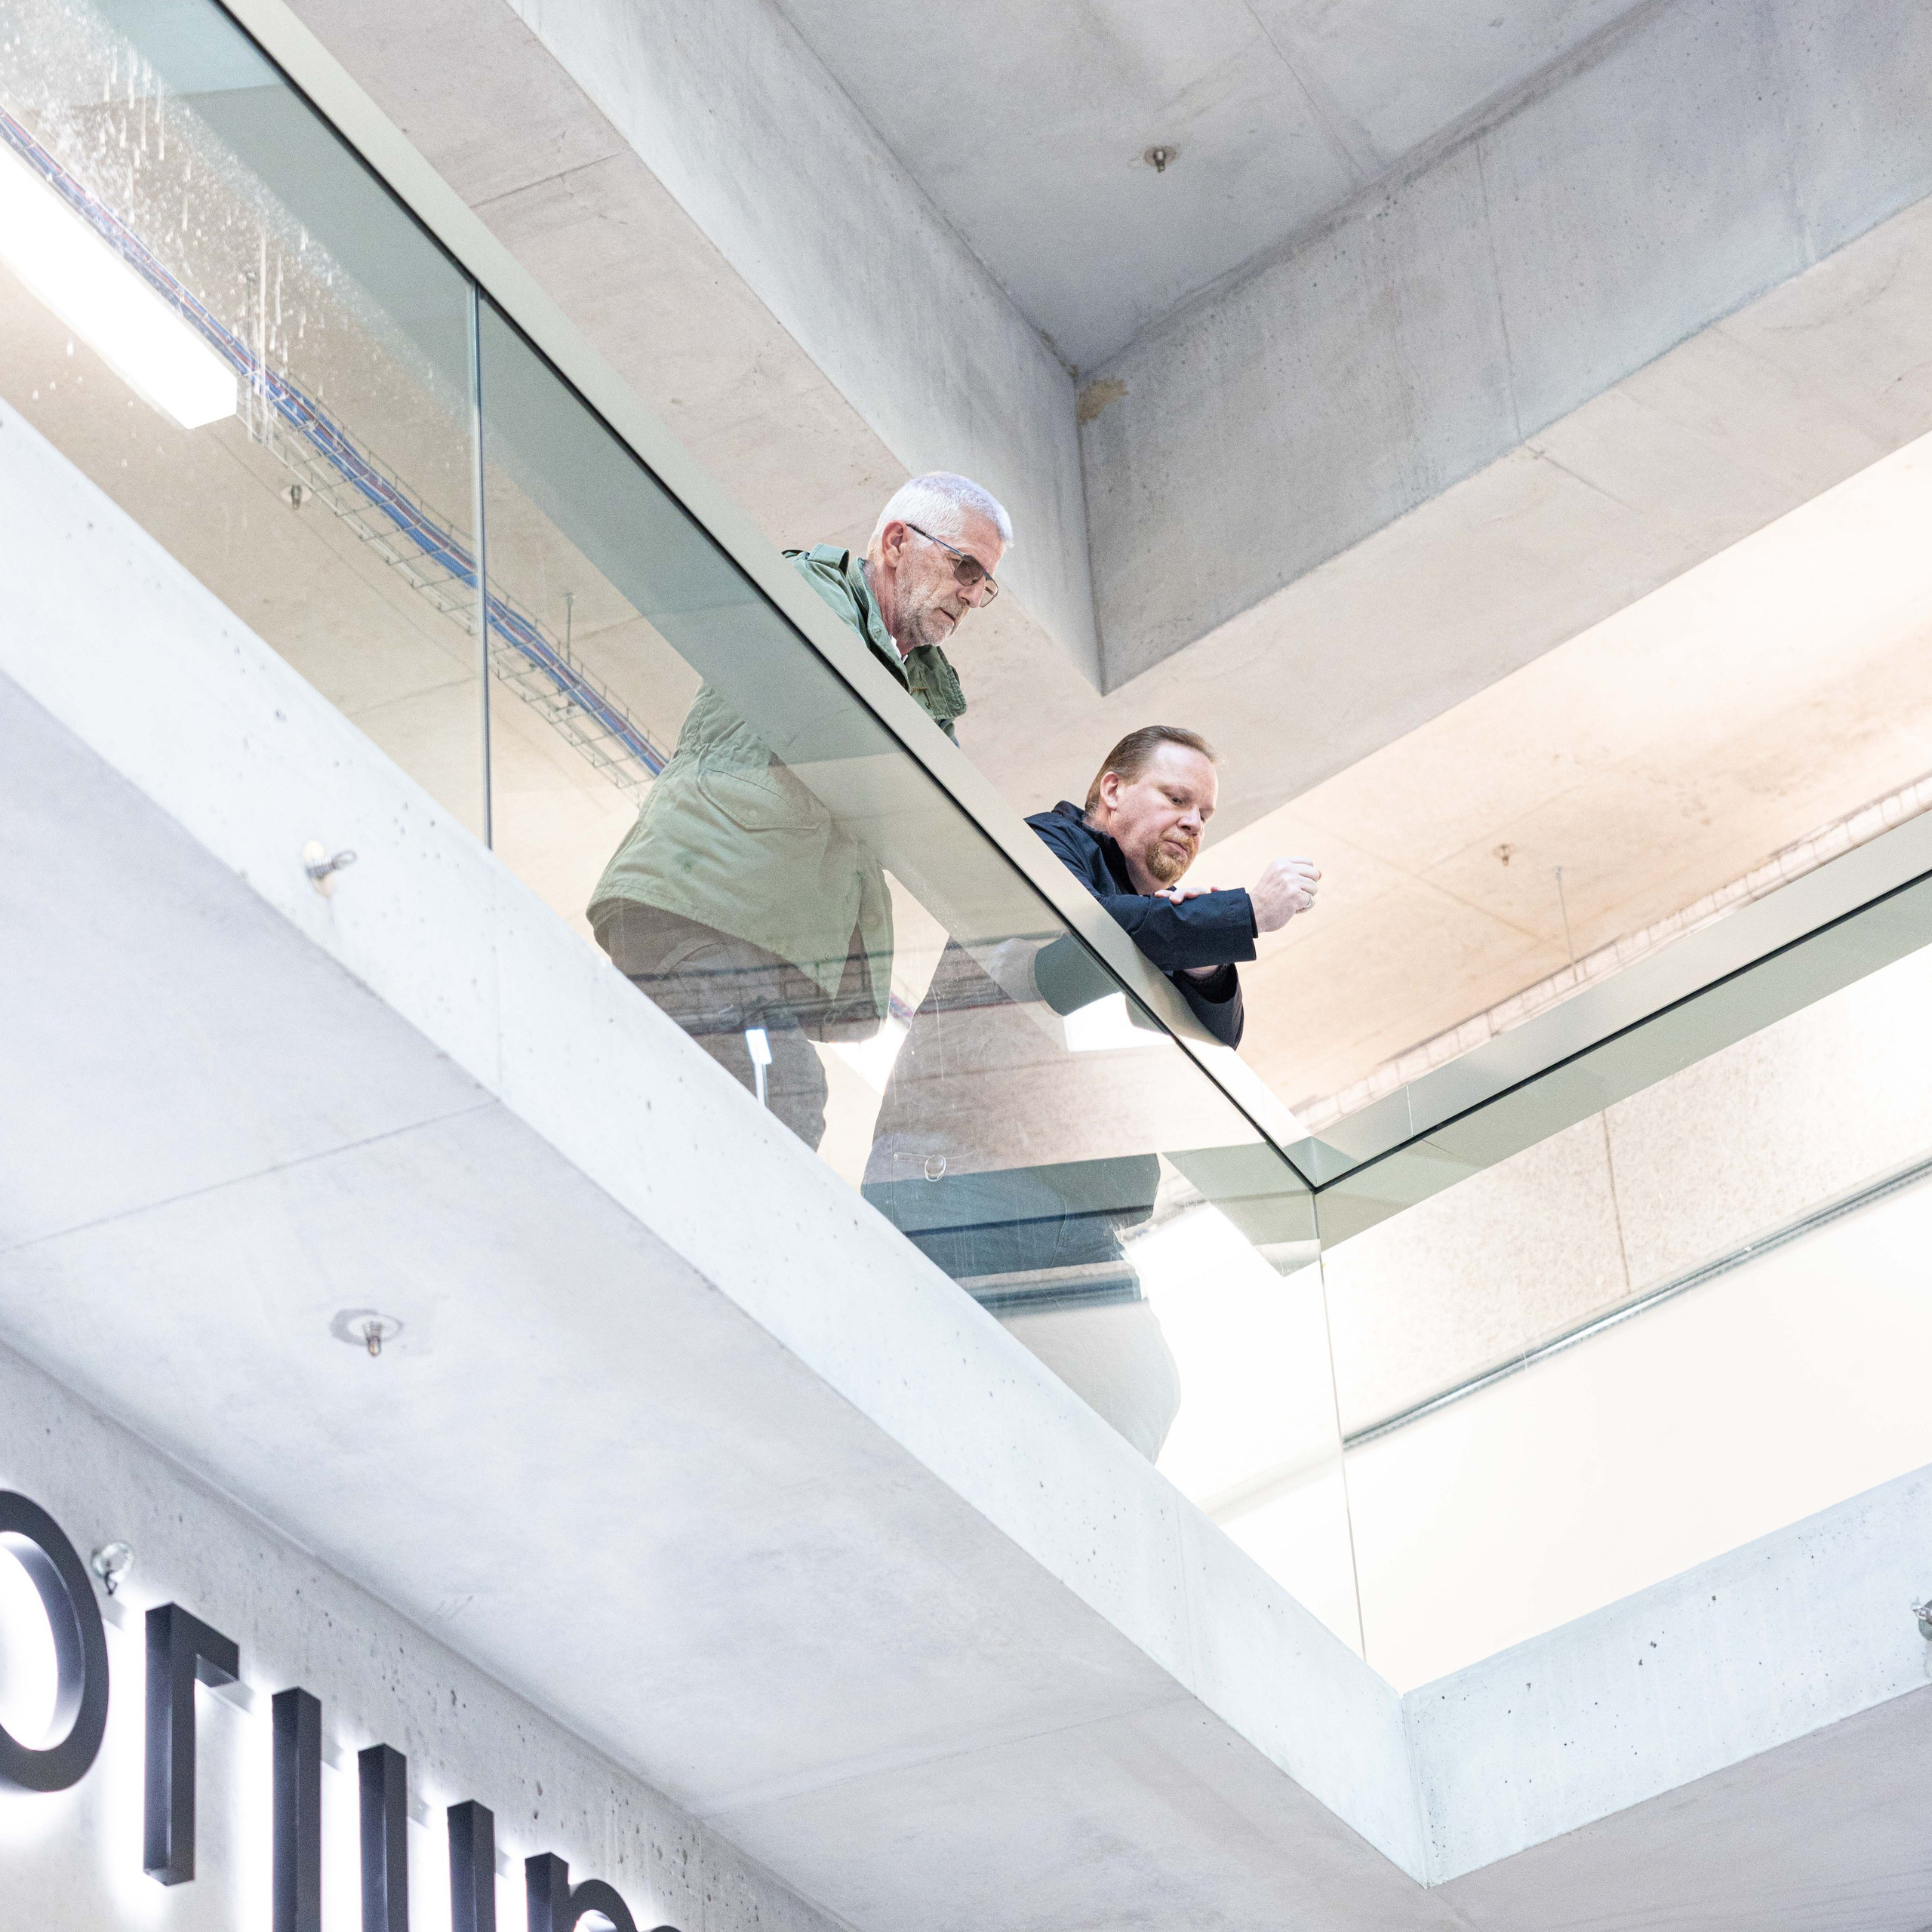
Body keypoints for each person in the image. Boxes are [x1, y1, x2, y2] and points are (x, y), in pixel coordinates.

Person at [862, 725, 1320, 1458]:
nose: (1193, 823)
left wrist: (1202, 963)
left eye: (1205, 814)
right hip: (964, 1171)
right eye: (1176, 797)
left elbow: (1216, 1037)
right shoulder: (1045, 847)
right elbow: (1072, 941)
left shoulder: (1149, 929)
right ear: (1111, 790)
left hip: (1068, 1215)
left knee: (1140, 1388)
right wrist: (1236, 915)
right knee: (936, 1383)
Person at [587, 472, 1011, 1146]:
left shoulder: (927, 687)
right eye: (965, 566)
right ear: (897, 542)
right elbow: (845, 725)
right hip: (701, 911)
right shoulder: (806, 590)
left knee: (721, 1118)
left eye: (985, 584)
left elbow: (937, 816)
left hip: (760, 947)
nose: (971, 594)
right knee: (782, 1101)